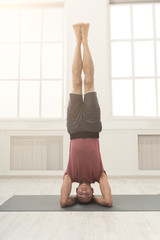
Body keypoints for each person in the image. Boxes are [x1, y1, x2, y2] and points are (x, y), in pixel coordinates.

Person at [60, 22, 112, 208]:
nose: (83, 192)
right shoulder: (99, 175)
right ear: (92, 191)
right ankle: (85, 40)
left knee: (75, 82)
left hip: (73, 128)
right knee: (88, 81)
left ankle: (77, 40)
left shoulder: (70, 175)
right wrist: (93, 200)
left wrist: (74, 201)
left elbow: (63, 202)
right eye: (87, 195)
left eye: (80, 195)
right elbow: (108, 201)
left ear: (75, 191)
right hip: (91, 126)